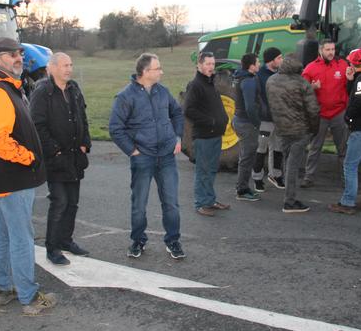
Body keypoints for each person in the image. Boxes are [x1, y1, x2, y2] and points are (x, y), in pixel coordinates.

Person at [0, 37, 58, 315]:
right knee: (22, 238)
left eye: (20, 54)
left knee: (3, 235)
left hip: (6, 179)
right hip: (14, 177)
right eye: (12, 55)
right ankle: (29, 298)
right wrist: (29, 158)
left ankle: (2, 289)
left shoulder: (6, 87)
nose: (18, 58)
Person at [109, 53, 185, 260]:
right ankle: (138, 241)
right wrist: (133, 151)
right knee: (139, 203)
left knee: (171, 202)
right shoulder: (125, 96)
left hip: (167, 156)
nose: (161, 71)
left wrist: (177, 138)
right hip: (143, 157)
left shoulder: (163, 92)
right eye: (157, 68)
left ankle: (173, 241)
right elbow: (115, 128)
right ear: (145, 72)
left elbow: (177, 113)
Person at [30, 52, 92, 265]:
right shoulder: (43, 92)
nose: (69, 69)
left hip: (75, 156)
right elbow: (37, 125)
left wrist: (85, 143)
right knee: (60, 202)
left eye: (71, 65)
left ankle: (66, 240)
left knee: (72, 202)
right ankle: (52, 247)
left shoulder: (74, 89)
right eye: (64, 65)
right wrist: (54, 150)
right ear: (53, 68)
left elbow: (83, 117)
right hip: (55, 159)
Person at [329, 49, 361, 215]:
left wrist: (349, 116)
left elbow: (360, 100)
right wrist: (350, 80)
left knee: (350, 164)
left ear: (352, 63)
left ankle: (348, 201)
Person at [266, 56, 319, 213]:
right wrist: (314, 130)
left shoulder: (270, 81)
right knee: (293, 166)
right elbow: (313, 110)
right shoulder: (302, 83)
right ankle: (289, 201)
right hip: (300, 130)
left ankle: (289, 196)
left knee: (287, 161)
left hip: (281, 128)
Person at [182, 51, 230, 216]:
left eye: (213, 64)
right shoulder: (195, 85)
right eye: (208, 64)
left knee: (211, 170)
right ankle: (201, 203)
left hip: (215, 135)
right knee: (203, 171)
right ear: (199, 65)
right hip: (204, 136)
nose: (211, 67)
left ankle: (210, 200)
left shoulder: (210, 83)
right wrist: (210, 121)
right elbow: (188, 110)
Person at [301, 39, 350, 188]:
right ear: (320, 50)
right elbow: (301, 90)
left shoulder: (343, 65)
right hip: (320, 114)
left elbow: (351, 84)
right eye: (328, 49)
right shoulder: (310, 68)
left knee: (343, 148)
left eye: (333, 49)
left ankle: (346, 178)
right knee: (315, 147)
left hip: (339, 113)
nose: (331, 52)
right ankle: (309, 177)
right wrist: (312, 87)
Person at [252, 47, 285, 192]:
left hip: (278, 118)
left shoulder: (280, 74)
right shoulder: (259, 76)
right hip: (265, 119)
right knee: (261, 149)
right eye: (279, 58)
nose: (281, 60)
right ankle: (257, 178)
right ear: (271, 60)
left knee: (277, 148)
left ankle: (275, 175)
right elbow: (257, 98)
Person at [233, 53, 262, 201]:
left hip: (241, 121)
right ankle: (242, 190)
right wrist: (257, 123)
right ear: (251, 66)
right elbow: (250, 107)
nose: (259, 64)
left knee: (246, 155)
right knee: (247, 157)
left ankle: (242, 187)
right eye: (258, 62)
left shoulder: (242, 77)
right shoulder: (248, 81)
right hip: (246, 123)